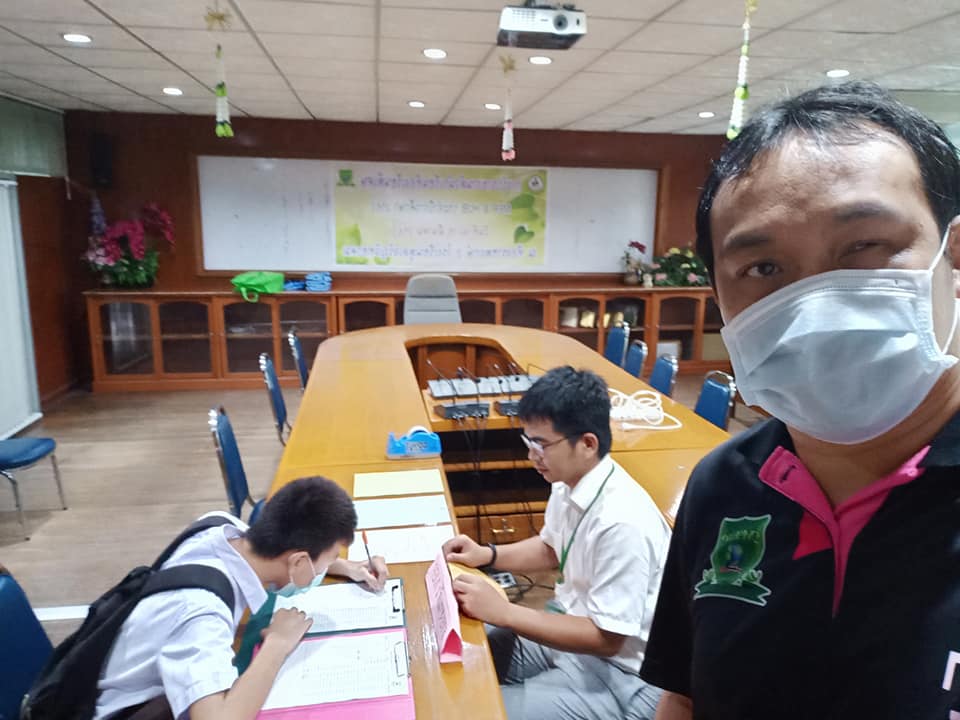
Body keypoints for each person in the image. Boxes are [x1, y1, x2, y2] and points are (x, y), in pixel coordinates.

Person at [639, 81, 960, 720]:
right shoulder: (722, 485)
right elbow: (685, 697)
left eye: (864, 246)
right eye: (763, 269)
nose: (817, 306)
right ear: (720, 300)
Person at [443, 366, 670, 719]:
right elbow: (551, 548)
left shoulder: (622, 522)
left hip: (621, 674)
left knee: (476, 711)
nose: (532, 455)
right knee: (465, 659)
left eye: (542, 445)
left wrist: (506, 612)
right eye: (528, 442)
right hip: (573, 636)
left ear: (588, 444)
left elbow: (607, 638)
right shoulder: (569, 481)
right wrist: (486, 554)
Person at [94, 476, 389, 720]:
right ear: (299, 561)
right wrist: (277, 644)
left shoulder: (220, 526)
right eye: (330, 558)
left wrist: (346, 567)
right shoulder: (202, 613)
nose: (328, 566)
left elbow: (284, 553)